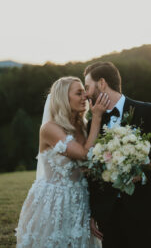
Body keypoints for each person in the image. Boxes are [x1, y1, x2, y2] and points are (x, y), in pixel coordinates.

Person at [84, 62, 151, 248]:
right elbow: (92, 171)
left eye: (87, 87)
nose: (86, 93)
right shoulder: (93, 124)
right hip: (109, 215)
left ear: (102, 83)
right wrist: (93, 212)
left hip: (145, 209)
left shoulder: (149, 112)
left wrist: (143, 174)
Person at [16, 76, 110, 248]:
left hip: (82, 201)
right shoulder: (50, 129)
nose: (85, 97)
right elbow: (84, 154)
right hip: (54, 203)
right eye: (78, 93)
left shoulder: (85, 126)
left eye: (84, 92)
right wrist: (97, 117)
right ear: (63, 98)